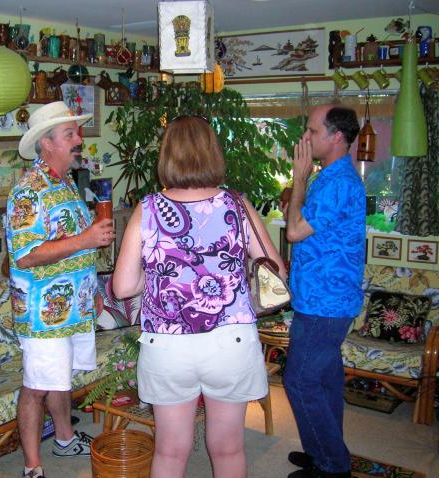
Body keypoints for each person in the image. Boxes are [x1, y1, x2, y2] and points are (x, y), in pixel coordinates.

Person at [112, 116, 286, 478]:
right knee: (228, 448)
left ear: (167, 157)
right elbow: (276, 272)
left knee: (170, 452)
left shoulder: (148, 208)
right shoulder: (237, 204)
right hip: (230, 340)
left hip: (167, 344)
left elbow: (123, 288)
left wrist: (158, 275)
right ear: (212, 153)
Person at [6, 101, 115, 478]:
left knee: (59, 378)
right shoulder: (28, 192)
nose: (78, 140)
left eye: (76, 133)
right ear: (46, 142)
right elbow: (26, 255)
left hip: (73, 305)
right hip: (43, 314)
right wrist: (87, 239)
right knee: (36, 386)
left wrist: (92, 289)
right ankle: (32, 467)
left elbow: (72, 244)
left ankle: (65, 438)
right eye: (70, 134)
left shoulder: (66, 183)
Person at [282, 105, 365, 478]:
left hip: (325, 304)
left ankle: (332, 465)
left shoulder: (338, 182)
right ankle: (324, 451)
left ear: (336, 137)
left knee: (299, 381)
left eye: (312, 131)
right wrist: (301, 186)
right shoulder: (330, 177)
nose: (305, 138)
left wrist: (298, 179)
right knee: (326, 381)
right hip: (321, 299)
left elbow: (294, 232)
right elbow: (307, 227)